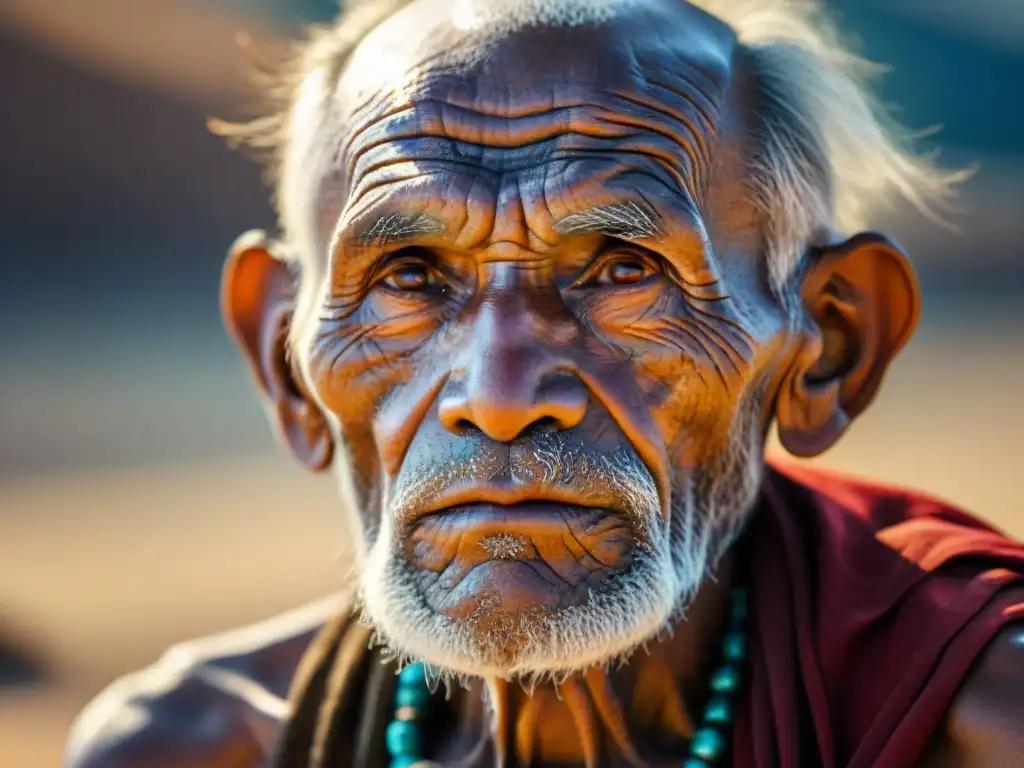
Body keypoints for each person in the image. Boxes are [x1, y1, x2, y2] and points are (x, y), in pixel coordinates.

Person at [65, 0, 1024, 765]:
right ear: (283, 361)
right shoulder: (188, 749)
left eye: (620, 268)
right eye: (410, 276)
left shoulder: (982, 724)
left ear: (828, 345)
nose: (501, 394)